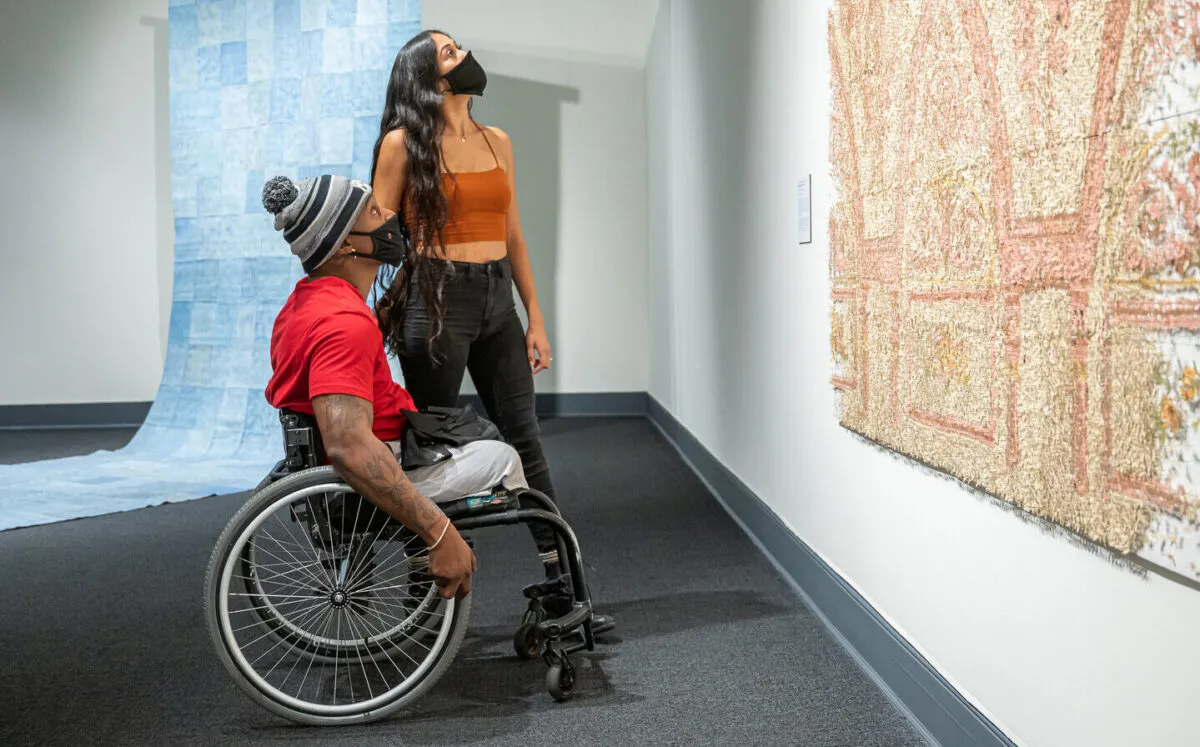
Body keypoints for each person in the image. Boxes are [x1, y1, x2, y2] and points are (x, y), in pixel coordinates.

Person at [260, 172, 529, 601]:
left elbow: (350, 351)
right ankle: (432, 563)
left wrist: (403, 283)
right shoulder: (342, 324)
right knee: (505, 460)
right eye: (372, 211)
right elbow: (349, 445)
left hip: (345, 460)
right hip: (370, 472)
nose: (388, 214)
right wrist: (439, 532)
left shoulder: (306, 303)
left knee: (461, 428)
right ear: (346, 243)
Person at [368, 31, 567, 587]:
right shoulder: (403, 145)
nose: (464, 55)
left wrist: (536, 318)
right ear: (429, 80)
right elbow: (379, 238)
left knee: (523, 438)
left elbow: (515, 235)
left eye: (458, 46)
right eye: (449, 53)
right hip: (435, 305)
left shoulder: (497, 140)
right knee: (436, 455)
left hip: (497, 302)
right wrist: (362, 311)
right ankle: (429, 589)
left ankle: (562, 582)